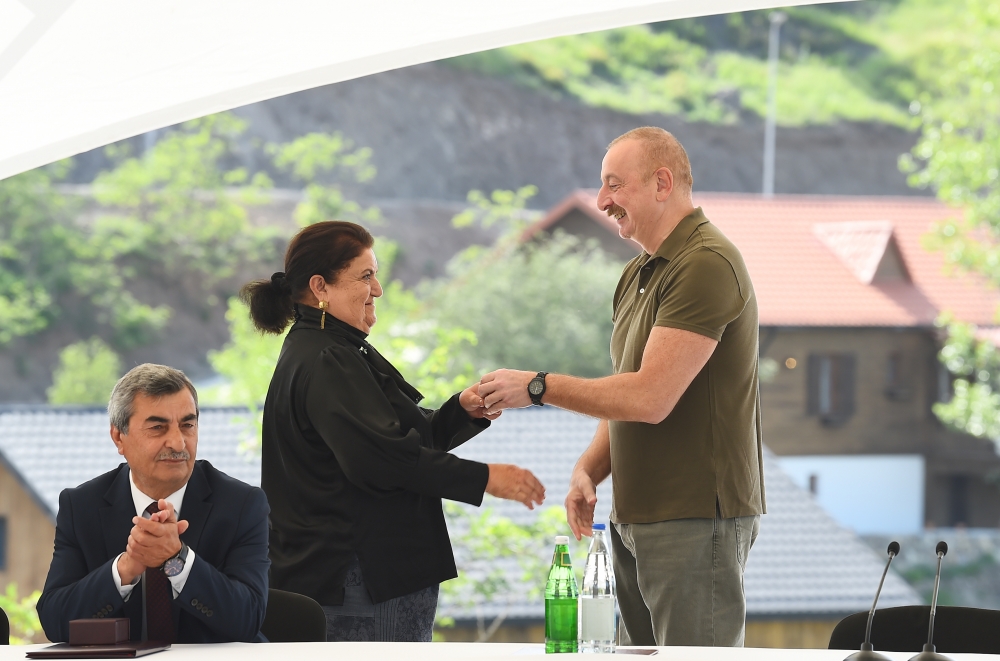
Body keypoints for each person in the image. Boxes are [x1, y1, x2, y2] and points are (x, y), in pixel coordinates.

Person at [478, 126, 765, 647]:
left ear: (662, 183)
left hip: (694, 517)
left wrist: (539, 387)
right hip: (636, 517)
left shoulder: (705, 263)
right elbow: (625, 393)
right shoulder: (638, 273)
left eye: (614, 184)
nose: (601, 200)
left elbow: (650, 398)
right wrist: (589, 469)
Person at [244, 220, 545, 643]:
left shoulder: (330, 348)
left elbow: (397, 442)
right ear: (320, 287)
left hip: (363, 578)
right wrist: (486, 478)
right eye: (365, 276)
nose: (378, 289)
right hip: (359, 580)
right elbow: (381, 461)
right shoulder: (327, 358)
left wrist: (461, 411)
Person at [37, 364, 270, 644]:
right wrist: (126, 567)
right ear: (118, 437)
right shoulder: (81, 506)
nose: (178, 443)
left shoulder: (242, 504)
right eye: (158, 428)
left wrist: (177, 560)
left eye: (187, 425)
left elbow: (248, 618)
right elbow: (55, 622)